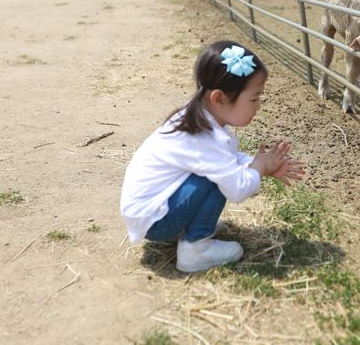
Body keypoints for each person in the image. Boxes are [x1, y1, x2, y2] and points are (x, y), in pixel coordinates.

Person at [120, 40, 305, 273]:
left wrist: (260, 165)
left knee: (214, 173)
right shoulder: (204, 138)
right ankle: (195, 250)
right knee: (213, 178)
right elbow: (236, 188)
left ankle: (189, 227)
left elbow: (226, 159)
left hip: (150, 212)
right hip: (157, 222)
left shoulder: (195, 116)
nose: (258, 106)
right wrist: (258, 168)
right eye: (254, 98)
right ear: (219, 98)